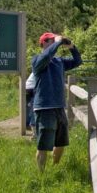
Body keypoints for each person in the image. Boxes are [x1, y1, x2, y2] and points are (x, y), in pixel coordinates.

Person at [32, 32, 82, 171]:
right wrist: (58, 42)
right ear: (43, 43)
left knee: (60, 143)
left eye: (54, 40)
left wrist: (72, 47)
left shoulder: (59, 61)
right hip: (44, 108)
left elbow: (77, 61)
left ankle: (55, 169)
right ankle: (41, 175)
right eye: (51, 40)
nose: (54, 42)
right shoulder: (37, 60)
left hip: (59, 107)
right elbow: (46, 56)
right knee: (43, 146)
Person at [25, 72, 36, 139]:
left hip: (28, 87)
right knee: (34, 109)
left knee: (31, 108)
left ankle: (28, 125)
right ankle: (35, 133)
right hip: (33, 87)